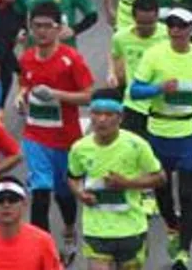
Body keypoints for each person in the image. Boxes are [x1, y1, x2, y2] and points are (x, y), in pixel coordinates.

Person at [129, 6, 192, 270]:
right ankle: (172, 226)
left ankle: (183, 253)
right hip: (159, 130)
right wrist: (158, 88)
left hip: (190, 131)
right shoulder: (154, 55)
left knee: (188, 193)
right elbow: (135, 91)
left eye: (181, 26)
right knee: (162, 192)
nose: (175, 31)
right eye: (171, 26)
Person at [15, 3, 95, 256]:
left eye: (47, 26)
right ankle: (43, 252)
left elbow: (89, 96)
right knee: (40, 192)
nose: (41, 32)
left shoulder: (71, 60)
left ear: (59, 28)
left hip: (65, 140)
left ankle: (70, 228)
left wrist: (57, 95)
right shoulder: (26, 58)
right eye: (36, 26)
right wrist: (21, 98)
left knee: (64, 194)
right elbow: (24, 86)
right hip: (35, 137)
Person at [67, 89, 165, 270]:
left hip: (131, 228)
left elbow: (160, 178)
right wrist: (80, 193)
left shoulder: (136, 145)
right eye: (96, 113)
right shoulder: (79, 148)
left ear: (120, 117)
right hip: (96, 230)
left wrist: (127, 184)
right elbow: (73, 178)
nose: (102, 119)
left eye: (108, 114)